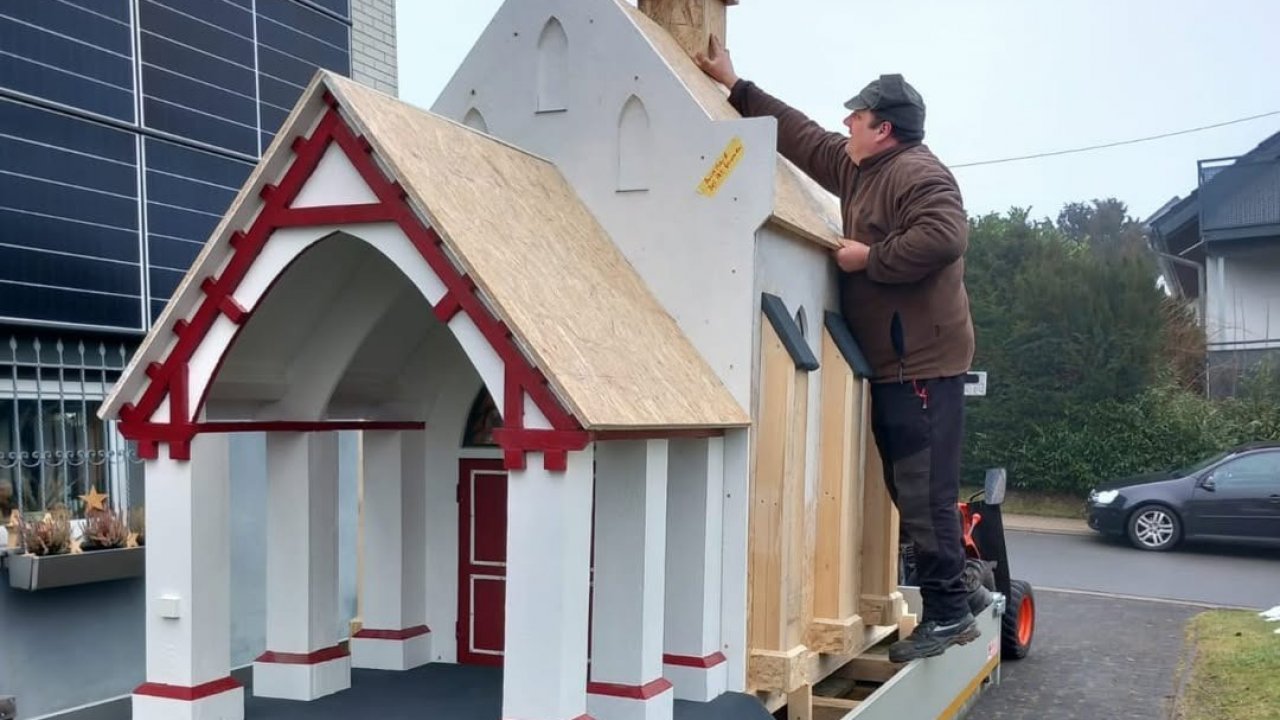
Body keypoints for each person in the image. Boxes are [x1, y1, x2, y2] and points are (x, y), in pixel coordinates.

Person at [696, 36, 979, 662]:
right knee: (913, 486)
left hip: (923, 367)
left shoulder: (918, 174)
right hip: (897, 365)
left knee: (923, 489)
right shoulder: (862, 165)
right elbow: (803, 137)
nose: (845, 122)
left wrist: (870, 258)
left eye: (857, 115)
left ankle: (951, 613)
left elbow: (943, 237)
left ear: (885, 129)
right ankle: (964, 594)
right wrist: (736, 87)